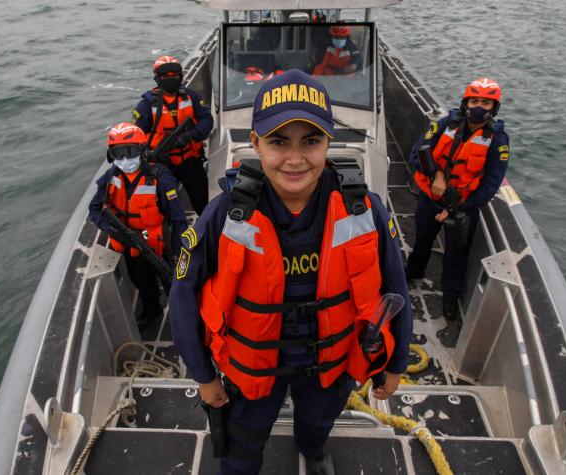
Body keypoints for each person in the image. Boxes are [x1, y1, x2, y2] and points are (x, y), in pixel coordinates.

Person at [169, 70, 412, 475]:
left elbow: (395, 286)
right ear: (255, 142)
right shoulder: (223, 215)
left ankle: (312, 450)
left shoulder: (365, 209)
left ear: (329, 141)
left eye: (311, 141)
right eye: (279, 142)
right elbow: (183, 294)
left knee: (318, 422)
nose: (295, 159)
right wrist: (203, 374)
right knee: (242, 444)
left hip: (330, 363)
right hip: (251, 368)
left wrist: (395, 362)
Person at [404, 78, 510, 346]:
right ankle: (412, 272)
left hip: (464, 206)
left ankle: (450, 299)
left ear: (493, 107)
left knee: (456, 255)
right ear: (465, 103)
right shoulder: (443, 125)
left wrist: (459, 208)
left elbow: (491, 183)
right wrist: (437, 174)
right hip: (431, 197)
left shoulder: (497, 140)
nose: (478, 107)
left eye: (485, 103)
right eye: (474, 101)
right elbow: (417, 152)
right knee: (422, 240)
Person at [88, 122, 188, 328]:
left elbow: (179, 220)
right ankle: (152, 311)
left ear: (142, 150)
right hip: (130, 247)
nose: (125, 159)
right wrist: (114, 232)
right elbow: (95, 210)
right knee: (142, 283)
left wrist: (178, 254)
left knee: (174, 286)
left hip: (160, 246)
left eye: (130, 151)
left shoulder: (161, 179)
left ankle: (183, 320)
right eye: (118, 153)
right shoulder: (110, 177)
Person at [133, 55, 214, 216]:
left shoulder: (191, 97)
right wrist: (149, 154)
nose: (171, 79)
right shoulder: (146, 105)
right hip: (163, 165)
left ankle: (206, 230)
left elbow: (207, 121)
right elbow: (136, 136)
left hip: (191, 161)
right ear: (158, 78)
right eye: (166, 76)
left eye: (174, 76)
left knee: (203, 202)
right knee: (165, 205)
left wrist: (188, 136)